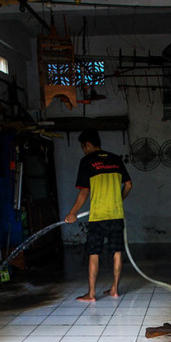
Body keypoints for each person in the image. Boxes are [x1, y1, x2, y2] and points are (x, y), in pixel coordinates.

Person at [64, 129, 132, 302]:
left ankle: (92, 294)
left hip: (98, 216)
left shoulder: (87, 161)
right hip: (116, 214)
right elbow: (129, 185)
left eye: (83, 147)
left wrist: (72, 213)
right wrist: (118, 199)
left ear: (88, 144)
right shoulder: (116, 159)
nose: (83, 150)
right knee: (117, 251)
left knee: (94, 253)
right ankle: (114, 290)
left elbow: (84, 192)